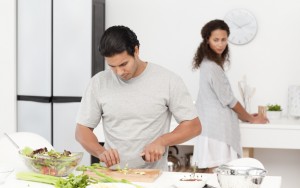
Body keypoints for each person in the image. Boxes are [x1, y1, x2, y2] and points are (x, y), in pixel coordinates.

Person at [75, 25, 201, 170]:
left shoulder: (168, 80)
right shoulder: (98, 82)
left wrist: (163, 141)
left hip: (154, 177)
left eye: (123, 64)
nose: (119, 72)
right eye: (112, 66)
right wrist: (100, 151)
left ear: (136, 50)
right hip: (112, 176)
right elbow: (81, 131)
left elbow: (194, 126)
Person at [192, 20, 268, 173]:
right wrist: (251, 118)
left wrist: (244, 117)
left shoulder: (209, 63)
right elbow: (230, 100)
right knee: (218, 176)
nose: (220, 44)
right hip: (216, 131)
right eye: (216, 40)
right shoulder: (212, 67)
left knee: (216, 175)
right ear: (207, 40)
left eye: (223, 39)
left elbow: (221, 99)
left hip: (212, 128)